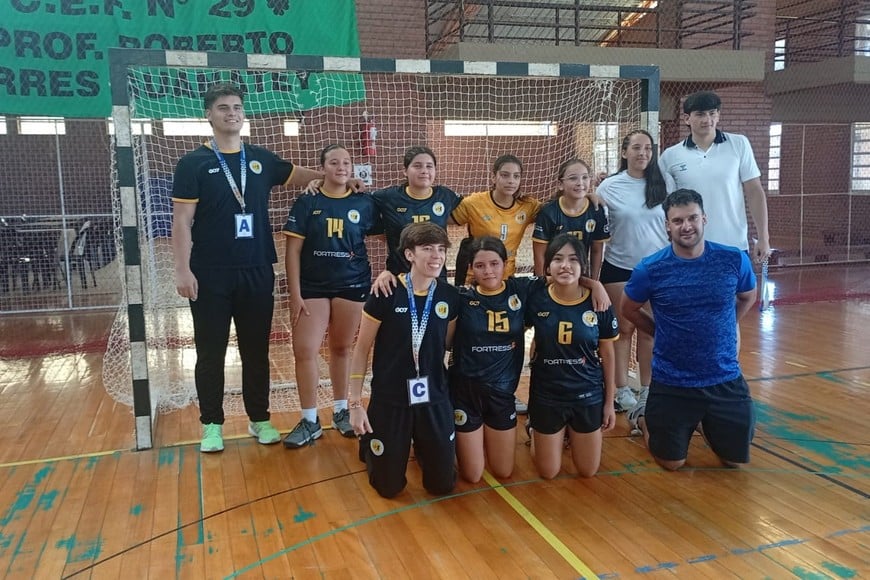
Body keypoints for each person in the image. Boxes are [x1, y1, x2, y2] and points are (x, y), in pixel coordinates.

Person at [172, 83, 328, 453]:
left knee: (256, 350)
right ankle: (211, 424)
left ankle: (260, 418)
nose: (232, 113)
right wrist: (182, 270)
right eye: (223, 107)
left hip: (257, 269)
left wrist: (336, 179)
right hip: (210, 273)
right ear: (208, 115)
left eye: (238, 107)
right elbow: (181, 221)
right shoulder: (193, 163)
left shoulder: (261, 159)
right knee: (210, 351)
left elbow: (300, 174)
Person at [620, 189, 757, 470]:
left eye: (693, 218)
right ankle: (643, 416)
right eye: (678, 220)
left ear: (704, 219)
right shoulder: (651, 268)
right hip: (673, 381)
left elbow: (748, 295)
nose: (687, 226)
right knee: (672, 464)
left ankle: (701, 422)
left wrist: (728, 324)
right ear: (667, 226)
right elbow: (628, 308)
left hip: (724, 378)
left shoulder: (732, 259)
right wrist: (659, 331)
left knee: (734, 463)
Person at [348, 222, 460, 498]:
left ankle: (423, 443)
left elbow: (447, 344)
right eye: (427, 249)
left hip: (432, 396)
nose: (436, 256)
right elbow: (361, 350)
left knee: (442, 485)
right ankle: (374, 443)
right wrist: (354, 405)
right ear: (409, 254)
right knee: (388, 488)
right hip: (391, 397)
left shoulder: (449, 296)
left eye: (441, 249)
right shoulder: (385, 292)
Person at [281, 144, 382, 448]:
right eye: (334, 162)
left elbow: (384, 233)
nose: (341, 167)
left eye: (347, 163)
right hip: (312, 287)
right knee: (305, 349)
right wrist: (294, 293)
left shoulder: (364, 203)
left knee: (341, 349)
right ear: (322, 168)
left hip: (352, 285)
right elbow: (292, 250)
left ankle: (341, 411)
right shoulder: (307, 201)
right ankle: (310, 419)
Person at [524, 233, 618, 479]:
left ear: (583, 266)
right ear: (548, 266)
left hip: (586, 395)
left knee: (587, 471)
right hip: (547, 395)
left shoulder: (599, 303)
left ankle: (567, 433)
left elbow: (608, 355)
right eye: (558, 259)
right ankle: (538, 430)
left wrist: (609, 403)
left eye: (573, 260)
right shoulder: (535, 297)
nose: (565, 265)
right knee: (548, 472)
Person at [451, 237, 544, 482]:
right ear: (471, 268)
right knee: (472, 476)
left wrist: (595, 285)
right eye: (480, 265)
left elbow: (562, 277)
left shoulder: (521, 290)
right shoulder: (460, 297)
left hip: (502, 395)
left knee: (503, 471)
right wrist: (390, 276)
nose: (488, 271)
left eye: (494, 263)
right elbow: (419, 285)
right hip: (465, 394)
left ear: (505, 263)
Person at [596, 130, 670, 413]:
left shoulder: (663, 185)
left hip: (657, 268)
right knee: (623, 328)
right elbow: (597, 221)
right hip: (619, 266)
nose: (643, 153)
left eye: (648, 149)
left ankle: (647, 389)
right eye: (636, 148)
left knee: (649, 330)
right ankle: (621, 389)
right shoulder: (609, 187)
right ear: (624, 152)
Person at [658, 90, 771, 263]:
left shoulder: (739, 144)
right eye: (700, 114)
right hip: (690, 248)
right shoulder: (670, 156)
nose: (707, 120)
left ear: (718, 116)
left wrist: (764, 237)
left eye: (712, 113)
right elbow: (662, 202)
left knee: (738, 291)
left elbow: (754, 191)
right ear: (687, 119)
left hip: (733, 245)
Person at [371, 146, 462, 283]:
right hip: (399, 276)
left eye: (429, 166)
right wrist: (349, 182)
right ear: (405, 171)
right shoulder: (389, 197)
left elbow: (472, 208)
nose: (424, 171)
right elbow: (358, 200)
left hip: (436, 276)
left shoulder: (444, 195)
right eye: (417, 166)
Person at [451, 154, 541, 284]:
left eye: (516, 176)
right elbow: (441, 218)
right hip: (475, 279)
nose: (511, 181)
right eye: (505, 175)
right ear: (494, 177)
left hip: (507, 279)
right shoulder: (474, 203)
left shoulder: (528, 206)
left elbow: (555, 213)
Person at [532, 158, 610, 280]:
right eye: (573, 178)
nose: (580, 183)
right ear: (560, 184)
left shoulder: (596, 211)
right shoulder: (549, 212)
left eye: (585, 177)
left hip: (581, 277)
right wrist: (542, 285)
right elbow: (539, 255)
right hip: (552, 278)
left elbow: (596, 251)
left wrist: (594, 282)